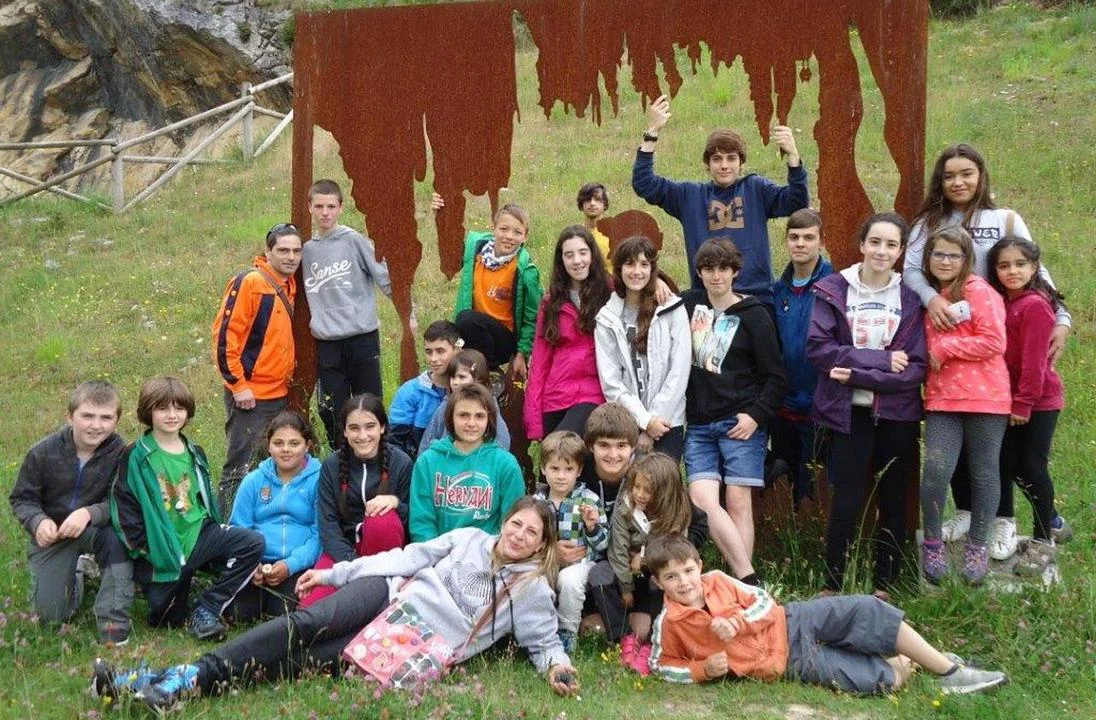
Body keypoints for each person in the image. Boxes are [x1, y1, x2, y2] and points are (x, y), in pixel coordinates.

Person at [91, 498, 580, 711]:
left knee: (303, 662)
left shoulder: (532, 591)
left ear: (542, 546)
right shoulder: (469, 537)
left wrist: (559, 668)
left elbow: (545, 644)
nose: (519, 535)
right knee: (306, 623)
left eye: (532, 533)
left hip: (410, 641)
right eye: (516, 524)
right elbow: (403, 557)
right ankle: (185, 675)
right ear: (505, 522)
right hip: (388, 593)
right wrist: (333, 573)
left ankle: (172, 686)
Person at [903, 144, 1072, 551]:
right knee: (954, 443)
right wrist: (932, 298)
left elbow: (1036, 269)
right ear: (939, 181)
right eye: (949, 175)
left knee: (997, 449)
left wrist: (1063, 318)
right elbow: (910, 270)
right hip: (949, 335)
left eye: (967, 173)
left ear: (981, 176)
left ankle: (1014, 521)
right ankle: (966, 511)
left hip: (1000, 343)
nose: (958, 182)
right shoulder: (928, 223)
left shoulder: (1004, 219)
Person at [646, 535, 1008, 695]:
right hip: (789, 663)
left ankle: (950, 673)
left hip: (794, 620)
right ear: (659, 583)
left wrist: (737, 621)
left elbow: (764, 602)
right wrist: (702, 670)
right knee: (880, 680)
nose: (684, 582)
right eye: (671, 577)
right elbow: (661, 665)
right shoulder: (669, 623)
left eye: (688, 571)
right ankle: (922, 660)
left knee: (867, 608)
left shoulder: (718, 580)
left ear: (699, 565)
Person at [807, 213, 926, 598]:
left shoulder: (910, 299)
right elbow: (820, 350)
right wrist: (880, 361)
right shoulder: (834, 289)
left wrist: (856, 373)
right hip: (848, 413)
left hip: (897, 413)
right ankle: (832, 582)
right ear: (862, 245)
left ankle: (886, 583)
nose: (881, 251)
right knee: (847, 497)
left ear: (901, 251)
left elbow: (916, 368)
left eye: (891, 245)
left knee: (893, 496)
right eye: (875, 242)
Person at [110, 376, 264, 641]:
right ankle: (178, 582)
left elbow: (204, 500)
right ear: (148, 412)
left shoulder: (195, 452)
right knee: (166, 618)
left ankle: (208, 607)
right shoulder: (136, 455)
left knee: (252, 543)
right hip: (163, 545)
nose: (172, 415)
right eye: (163, 408)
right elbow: (123, 508)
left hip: (199, 532)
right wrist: (145, 550)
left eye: (179, 408)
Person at [631, 93, 809, 299]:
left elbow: (797, 201)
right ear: (707, 165)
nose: (724, 165)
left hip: (755, 298)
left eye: (731, 158)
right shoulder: (689, 196)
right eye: (717, 159)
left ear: (741, 164)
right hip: (707, 298)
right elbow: (644, 184)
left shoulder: (755, 189)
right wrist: (652, 132)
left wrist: (793, 156)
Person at [682, 238, 786, 589]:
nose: (716, 276)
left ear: (735, 272)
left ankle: (740, 587)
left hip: (740, 422)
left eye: (723, 269)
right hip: (699, 424)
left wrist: (755, 416)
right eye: (709, 269)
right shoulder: (689, 305)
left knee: (738, 500)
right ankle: (749, 582)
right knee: (702, 499)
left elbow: (776, 377)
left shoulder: (754, 315)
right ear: (699, 272)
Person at [8, 381, 132, 645]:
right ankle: (77, 575)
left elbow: (124, 502)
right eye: (87, 416)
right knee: (51, 618)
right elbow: (22, 498)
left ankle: (113, 621)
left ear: (117, 421)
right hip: (55, 535)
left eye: (106, 418)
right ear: (69, 416)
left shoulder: (121, 453)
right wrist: (38, 522)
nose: (96, 425)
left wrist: (89, 513)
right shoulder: (43, 452)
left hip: (97, 529)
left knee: (118, 539)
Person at [919, 226, 1010, 585]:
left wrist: (946, 348)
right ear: (928, 257)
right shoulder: (931, 296)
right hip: (943, 398)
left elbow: (994, 341)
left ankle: (978, 545)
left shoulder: (979, 291)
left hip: (986, 397)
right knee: (936, 470)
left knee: (984, 472)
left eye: (953, 255)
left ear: (967, 259)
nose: (945, 261)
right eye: (938, 254)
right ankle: (932, 542)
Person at [988, 236, 1067, 575]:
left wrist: (1023, 403)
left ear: (1034, 267)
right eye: (1004, 265)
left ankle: (1043, 540)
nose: (1012, 271)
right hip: (1011, 399)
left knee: (1033, 466)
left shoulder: (1034, 305)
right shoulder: (1005, 303)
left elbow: (1035, 363)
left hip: (1039, 400)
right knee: (1008, 463)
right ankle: (1052, 520)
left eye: (1020, 264)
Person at [212, 222, 303, 511]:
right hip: (251, 396)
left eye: (296, 251)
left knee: (268, 466)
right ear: (268, 251)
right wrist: (238, 385)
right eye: (283, 250)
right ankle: (224, 526)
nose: (291, 257)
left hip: (280, 393)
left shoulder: (290, 284)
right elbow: (225, 337)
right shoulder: (251, 283)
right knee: (240, 468)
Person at [303, 179, 394, 448]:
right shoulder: (306, 250)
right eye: (319, 206)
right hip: (328, 342)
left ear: (341, 207)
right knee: (332, 410)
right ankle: (341, 458)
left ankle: (378, 456)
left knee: (370, 405)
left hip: (362, 336)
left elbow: (385, 276)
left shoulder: (354, 241)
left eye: (331, 206)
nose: (325, 213)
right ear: (310, 207)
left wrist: (407, 311)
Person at [301, 393, 412, 608]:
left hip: (386, 555)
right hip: (344, 552)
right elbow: (328, 523)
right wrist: (352, 564)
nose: (362, 436)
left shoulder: (401, 463)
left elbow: (412, 519)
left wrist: (396, 503)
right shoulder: (332, 466)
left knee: (382, 518)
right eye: (354, 428)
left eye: (370, 427)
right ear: (344, 431)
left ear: (382, 427)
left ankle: (379, 593)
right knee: (312, 608)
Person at [595, 236, 691, 461]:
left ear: (652, 269)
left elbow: (679, 371)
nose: (637, 271)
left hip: (668, 421)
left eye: (644, 264)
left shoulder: (672, 309)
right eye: (630, 264)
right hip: (626, 423)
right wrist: (645, 421)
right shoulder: (607, 318)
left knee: (662, 481)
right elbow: (611, 382)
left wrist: (654, 423)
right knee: (631, 483)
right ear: (619, 269)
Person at [227, 411, 322, 621]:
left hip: (297, 564)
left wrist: (290, 565)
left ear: (307, 446)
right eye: (278, 443)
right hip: (257, 563)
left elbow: (320, 534)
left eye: (294, 443)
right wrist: (252, 564)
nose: (286, 449)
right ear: (268, 446)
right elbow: (239, 529)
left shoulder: (319, 480)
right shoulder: (253, 481)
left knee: (281, 615)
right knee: (239, 614)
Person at [608, 453, 694, 676]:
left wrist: (643, 557)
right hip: (627, 571)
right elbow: (618, 547)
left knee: (662, 581)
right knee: (604, 576)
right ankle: (625, 639)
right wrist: (626, 587)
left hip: (657, 572)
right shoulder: (626, 505)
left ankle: (653, 645)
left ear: (664, 493)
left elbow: (671, 549)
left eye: (648, 490)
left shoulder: (677, 510)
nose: (639, 494)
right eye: (636, 487)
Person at [769, 209, 834, 507]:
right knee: (787, 482)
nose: (800, 244)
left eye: (809, 237)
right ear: (786, 241)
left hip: (818, 407)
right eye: (794, 237)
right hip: (783, 406)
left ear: (822, 242)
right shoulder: (777, 290)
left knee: (816, 488)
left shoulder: (834, 285)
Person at [525, 225, 611, 442]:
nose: (577, 261)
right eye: (569, 255)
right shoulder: (550, 302)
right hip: (554, 396)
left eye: (583, 252)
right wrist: (533, 419)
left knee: (561, 447)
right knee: (553, 458)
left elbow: (640, 281)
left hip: (592, 393)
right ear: (561, 260)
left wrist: (659, 281)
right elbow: (540, 361)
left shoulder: (610, 293)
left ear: (592, 254)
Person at [409, 383, 525, 542]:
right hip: (438, 551)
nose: (471, 423)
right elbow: (421, 522)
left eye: (479, 416)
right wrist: (435, 553)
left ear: (489, 419)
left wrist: (492, 551)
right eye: (463, 415)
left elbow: (512, 520)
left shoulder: (506, 464)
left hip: (488, 551)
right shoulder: (428, 462)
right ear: (450, 417)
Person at [532, 430, 608, 652]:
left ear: (579, 470)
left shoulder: (589, 501)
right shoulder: (537, 503)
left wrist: (592, 527)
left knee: (568, 580)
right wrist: (549, 551)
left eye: (568, 469)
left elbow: (604, 544)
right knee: (532, 579)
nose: (561, 476)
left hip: (582, 564)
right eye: (554, 469)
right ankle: (537, 630)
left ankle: (567, 632)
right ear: (543, 468)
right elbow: (530, 542)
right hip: (546, 561)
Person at [451, 201, 543, 380]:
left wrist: (521, 354)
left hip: (502, 341)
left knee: (466, 318)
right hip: (471, 332)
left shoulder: (526, 270)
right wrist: (440, 213)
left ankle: (489, 372)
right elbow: (449, 253)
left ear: (525, 237)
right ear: (493, 229)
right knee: (446, 329)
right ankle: (467, 370)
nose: (509, 236)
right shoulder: (474, 251)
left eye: (517, 232)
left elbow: (532, 317)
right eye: (503, 229)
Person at [388, 319, 462, 459]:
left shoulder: (468, 389)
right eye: (429, 352)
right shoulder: (409, 392)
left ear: (457, 350)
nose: (433, 359)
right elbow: (394, 443)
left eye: (440, 351)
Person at [419, 349, 511, 455]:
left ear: (478, 379)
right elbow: (428, 441)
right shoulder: (445, 406)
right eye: (452, 377)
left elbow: (502, 443)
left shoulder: (489, 408)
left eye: (461, 377)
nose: (455, 382)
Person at [576, 182, 612, 266]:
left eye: (597, 199)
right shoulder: (575, 235)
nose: (592, 203)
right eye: (588, 200)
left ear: (604, 204)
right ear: (581, 204)